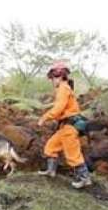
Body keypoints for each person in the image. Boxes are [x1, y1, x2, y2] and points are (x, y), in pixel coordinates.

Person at [38, 61, 92, 189]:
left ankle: (85, 179)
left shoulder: (63, 88)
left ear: (60, 76)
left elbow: (58, 109)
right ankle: (51, 171)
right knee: (50, 147)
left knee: (72, 154)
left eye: (53, 78)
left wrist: (44, 118)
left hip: (70, 127)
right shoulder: (64, 88)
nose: (52, 81)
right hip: (64, 126)